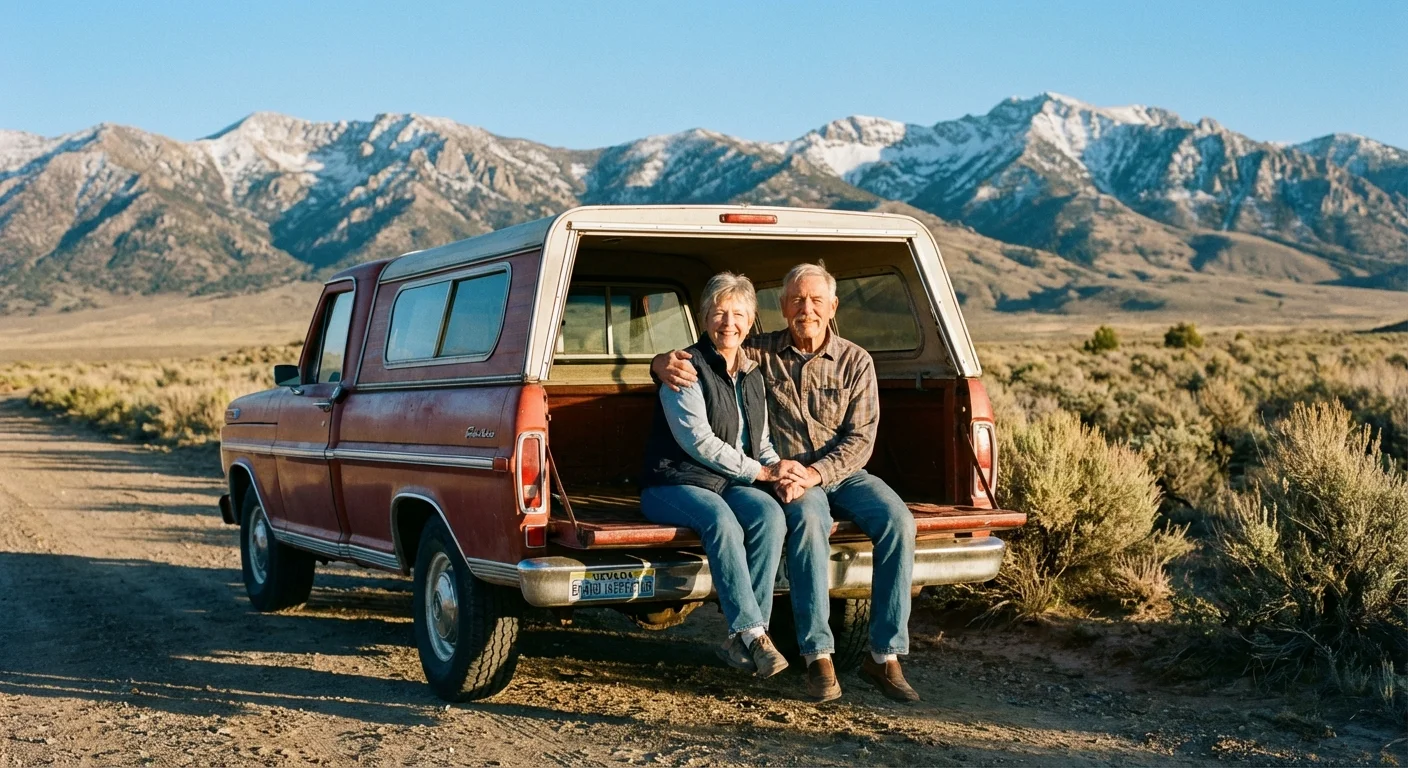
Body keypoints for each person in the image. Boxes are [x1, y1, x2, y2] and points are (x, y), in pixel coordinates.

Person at [652, 262, 920, 703]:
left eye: (816, 300)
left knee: (898, 522)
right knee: (810, 526)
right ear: (781, 307)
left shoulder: (857, 361)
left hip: (841, 473)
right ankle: (818, 656)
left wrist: (815, 472)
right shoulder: (759, 352)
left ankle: (885, 654)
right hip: (790, 480)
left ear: (833, 306)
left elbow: (862, 439)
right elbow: (714, 352)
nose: (806, 309)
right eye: (797, 300)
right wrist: (660, 362)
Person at [639, 272, 804, 678]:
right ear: (703, 318)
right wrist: (760, 471)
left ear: (751, 321)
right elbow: (700, 442)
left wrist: (776, 468)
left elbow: (759, 440)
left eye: (738, 314)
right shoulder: (684, 369)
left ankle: (745, 638)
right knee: (721, 521)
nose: (728, 323)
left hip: (728, 481)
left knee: (769, 516)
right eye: (719, 313)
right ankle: (753, 633)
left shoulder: (752, 375)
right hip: (673, 482)